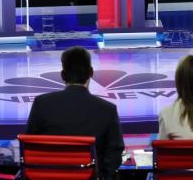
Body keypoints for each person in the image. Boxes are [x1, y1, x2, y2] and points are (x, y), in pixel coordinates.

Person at [25, 46, 124, 179]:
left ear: (62, 75)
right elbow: (114, 155)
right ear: (91, 72)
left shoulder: (41, 104)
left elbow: (29, 147)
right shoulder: (107, 109)